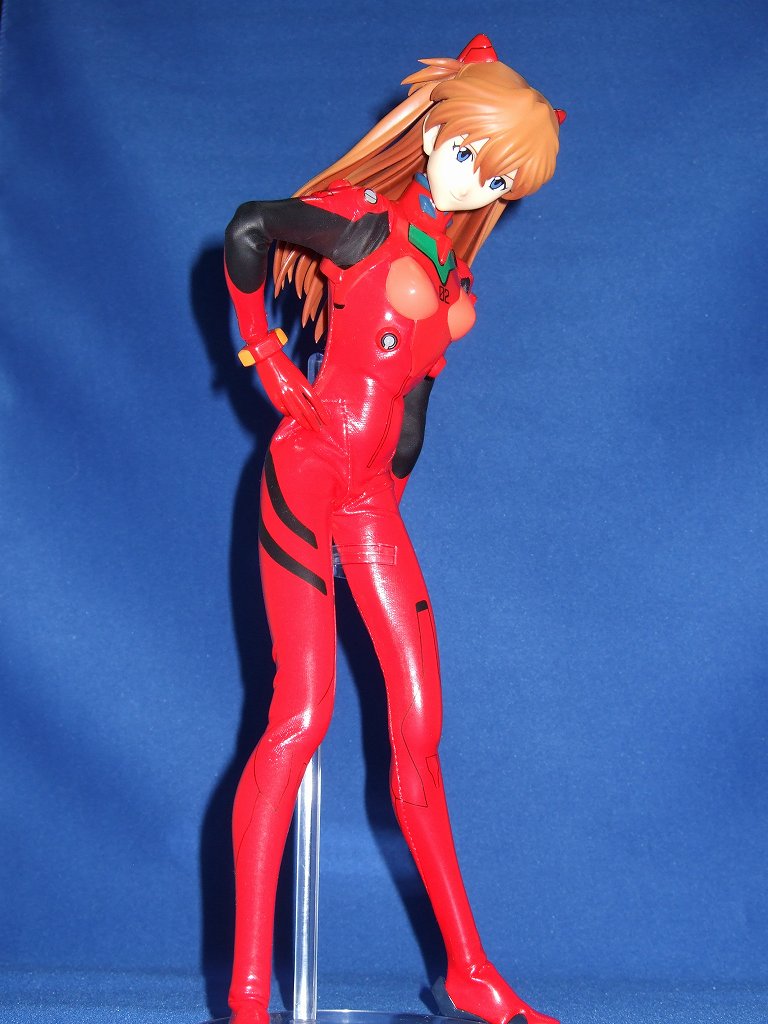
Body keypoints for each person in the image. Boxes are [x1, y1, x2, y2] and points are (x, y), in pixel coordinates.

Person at [224, 34, 564, 1024]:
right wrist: (263, 353)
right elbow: (249, 229)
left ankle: (468, 968)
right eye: (467, 155)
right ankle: (250, 991)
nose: (473, 183)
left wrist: (390, 488)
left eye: (496, 179)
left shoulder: (451, 275)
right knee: (302, 714)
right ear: (433, 131)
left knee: (419, 732)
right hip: (306, 471)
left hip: (371, 500)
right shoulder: (363, 228)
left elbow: (413, 402)